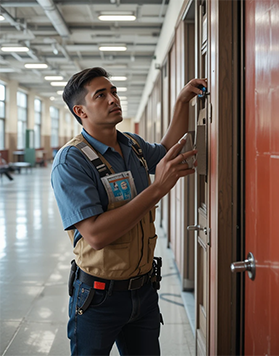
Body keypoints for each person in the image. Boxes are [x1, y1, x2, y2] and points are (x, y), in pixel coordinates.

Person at [51, 67, 206, 356]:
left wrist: (183, 102)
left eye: (114, 92)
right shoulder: (71, 161)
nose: (113, 99)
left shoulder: (131, 144)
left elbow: (165, 150)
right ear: (80, 111)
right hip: (98, 297)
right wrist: (156, 189)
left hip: (144, 291)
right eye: (101, 95)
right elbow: (96, 235)